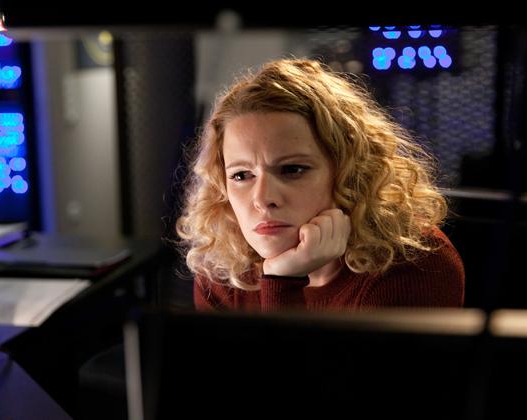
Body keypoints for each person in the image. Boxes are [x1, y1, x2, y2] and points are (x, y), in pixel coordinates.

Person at [176, 58, 464, 312]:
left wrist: (282, 281)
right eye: (241, 175)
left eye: (292, 170)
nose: (263, 199)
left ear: (348, 172)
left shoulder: (416, 266)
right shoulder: (223, 271)